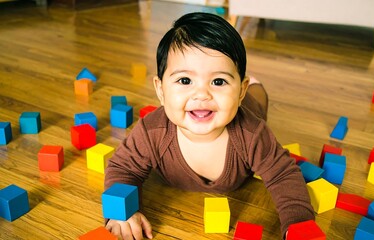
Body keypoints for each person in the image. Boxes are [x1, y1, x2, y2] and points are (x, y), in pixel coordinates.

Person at [104, 12, 314, 240]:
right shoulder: (151, 131)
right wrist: (121, 213)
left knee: (259, 98)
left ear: (239, 90)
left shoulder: (253, 134)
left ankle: (252, 84)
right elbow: (122, 168)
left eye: (218, 81)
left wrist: (298, 225)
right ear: (161, 90)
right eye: (185, 81)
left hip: (251, 104)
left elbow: (283, 175)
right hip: (231, 98)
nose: (202, 94)